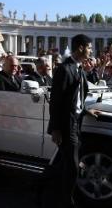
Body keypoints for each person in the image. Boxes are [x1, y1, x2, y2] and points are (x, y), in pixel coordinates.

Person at [48, 34, 92, 208]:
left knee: (64, 163)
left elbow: (75, 99)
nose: (91, 50)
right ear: (80, 48)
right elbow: (56, 101)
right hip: (66, 125)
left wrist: (87, 110)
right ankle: (67, 202)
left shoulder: (79, 68)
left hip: (76, 121)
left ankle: (46, 191)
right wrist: (56, 129)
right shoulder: (65, 69)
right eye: (89, 47)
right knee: (73, 166)